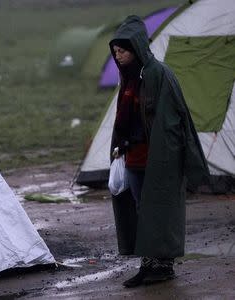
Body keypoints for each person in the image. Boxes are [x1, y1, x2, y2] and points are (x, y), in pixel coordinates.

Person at [109, 15, 209, 288]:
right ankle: (150, 264)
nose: (118, 56)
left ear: (137, 47)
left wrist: (170, 155)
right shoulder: (128, 78)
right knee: (143, 209)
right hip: (134, 158)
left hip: (158, 158)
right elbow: (125, 118)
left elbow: (173, 119)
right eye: (116, 52)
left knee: (160, 210)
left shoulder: (159, 74)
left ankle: (161, 266)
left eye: (123, 50)